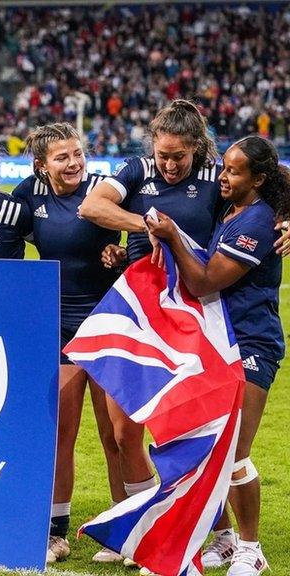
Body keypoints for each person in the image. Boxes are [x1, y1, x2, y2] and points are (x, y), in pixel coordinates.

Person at [147, 136, 286, 576]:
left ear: (259, 179)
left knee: (235, 452)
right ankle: (225, 540)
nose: (223, 177)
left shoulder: (259, 222)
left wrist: (171, 235)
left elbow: (207, 282)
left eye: (234, 171)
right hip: (216, 343)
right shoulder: (234, 209)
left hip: (250, 345)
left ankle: (251, 547)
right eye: (223, 168)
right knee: (209, 449)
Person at [79, 100, 217, 527]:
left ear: (197, 147)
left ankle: (209, 529)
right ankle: (145, 525)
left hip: (195, 313)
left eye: (180, 156)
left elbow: (274, 184)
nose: (170, 165)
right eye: (163, 156)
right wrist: (147, 227)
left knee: (184, 431)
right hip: (137, 310)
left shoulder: (216, 175)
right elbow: (92, 206)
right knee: (124, 432)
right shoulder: (137, 170)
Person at [10, 123, 126, 564]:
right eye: (62, 157)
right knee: (61, 433)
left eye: (77, 153)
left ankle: (125, 526)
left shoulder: (104, 189)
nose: (74, 162)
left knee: (117, 434)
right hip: (58, 327)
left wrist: (120, 253)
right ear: (41, 165)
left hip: (108, 323)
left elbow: (146, 224)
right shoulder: (28, 195)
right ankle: (56, 532)